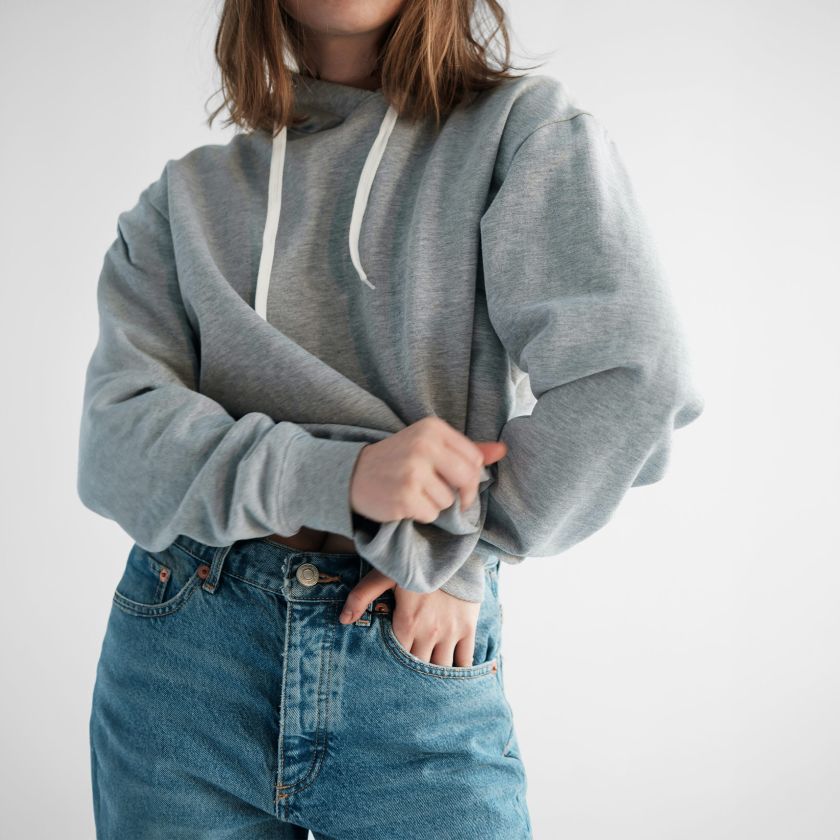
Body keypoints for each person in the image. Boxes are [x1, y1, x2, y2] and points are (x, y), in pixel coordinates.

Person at [79, 1, 705, 837]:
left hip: (411, 647)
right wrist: (339, 477)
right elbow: (115, 443)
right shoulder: (184, 198)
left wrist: (463, 548)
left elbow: (633, 376)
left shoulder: (520, 134)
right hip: (184, 656)